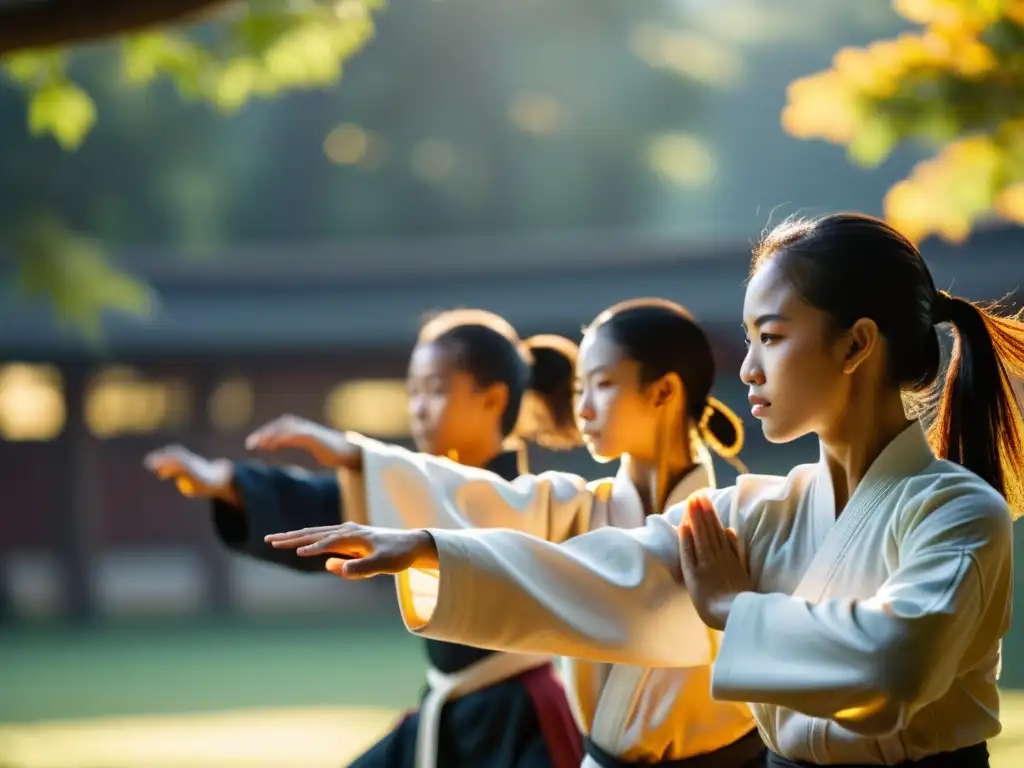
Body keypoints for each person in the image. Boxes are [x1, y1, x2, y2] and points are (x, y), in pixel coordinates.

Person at [268, 213, 1024, 767]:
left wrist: (733, 611)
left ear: (857, 343)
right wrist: (433, 550)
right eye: (749, 338)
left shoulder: (960, 513)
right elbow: (610, 573)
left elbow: (894, 668)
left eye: (773, 335)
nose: (750, 367)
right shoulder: (761, 511)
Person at [264, 298, 767, 768]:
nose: (584, 408)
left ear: (663, 392)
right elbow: (490, 502)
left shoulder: (740, 522)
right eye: (579, 390)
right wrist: (399, 512)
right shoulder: (579, 509)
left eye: (604, 384)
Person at [144, 308, 584, 768]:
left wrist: (357, 455)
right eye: (412, 392)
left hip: (521, 721)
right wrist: (231, 485)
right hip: (452, 711)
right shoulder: (415, 490)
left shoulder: (524, 499)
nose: (417, 408)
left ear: (493, 400)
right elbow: (339, 510)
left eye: (435, 390)